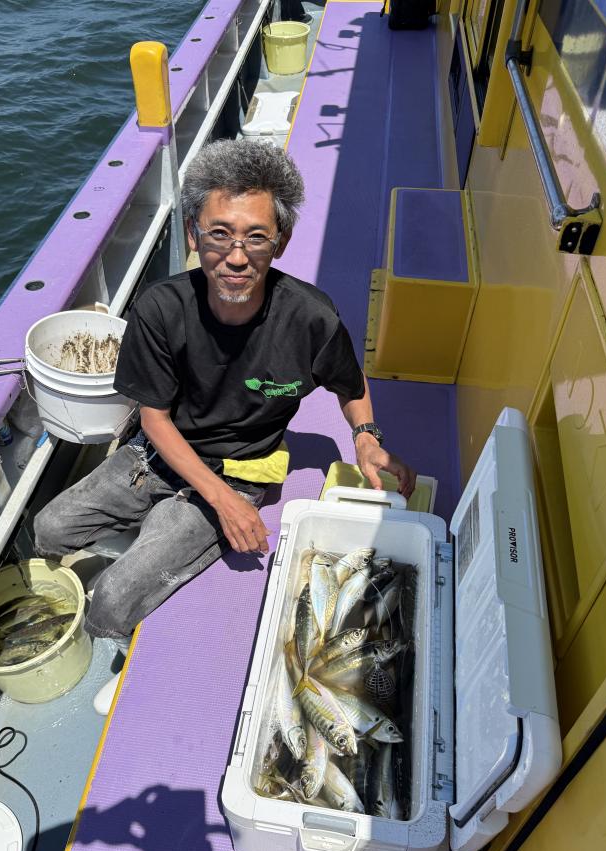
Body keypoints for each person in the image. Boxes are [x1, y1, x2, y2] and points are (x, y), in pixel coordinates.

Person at [34, 139, 416, 713]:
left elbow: (350, 383)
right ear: (194, 234)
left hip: (241, 469)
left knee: (110, 600)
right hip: (158, 457)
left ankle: (142, 604)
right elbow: (154, 419)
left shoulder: (312, 318)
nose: (237, 257)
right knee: (47, 530)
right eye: (219, 234)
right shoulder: (160, 309)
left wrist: (367, 438)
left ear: (281, 241)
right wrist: (221, 503)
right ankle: (163, 532)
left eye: (256, 237)